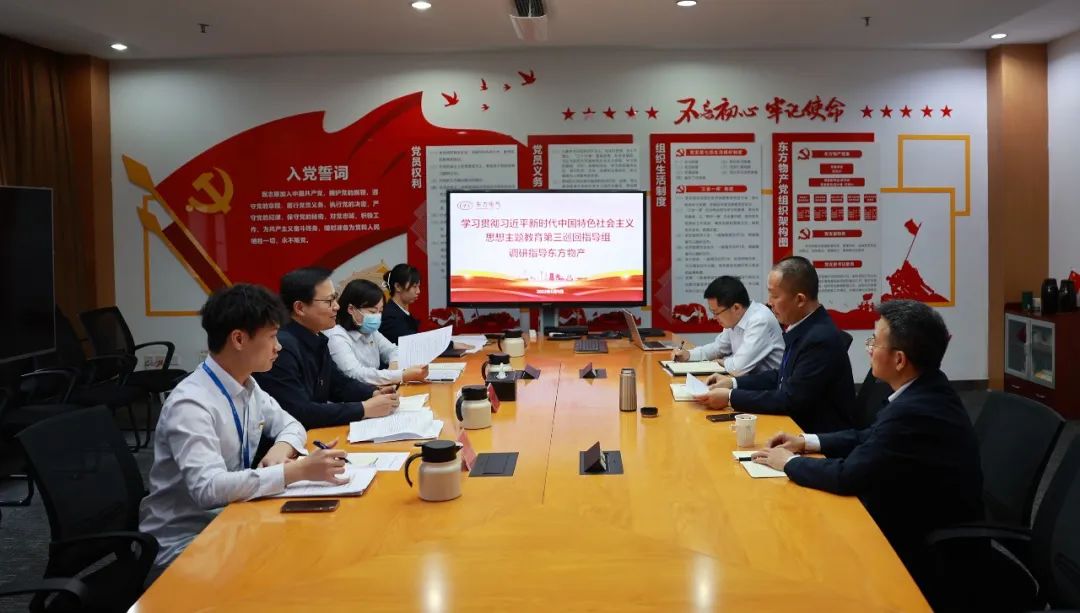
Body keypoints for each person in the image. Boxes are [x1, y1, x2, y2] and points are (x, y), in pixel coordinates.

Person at [751, 299, 982, 596]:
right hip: (911, 510)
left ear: (899, 360)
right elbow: (870, 436)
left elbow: (849, 475)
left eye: (874, 342)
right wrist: (806, 442)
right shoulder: (927, 388)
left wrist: (788, 463)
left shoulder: (915, 410)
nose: (869, 349)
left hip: (926, 549)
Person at [139, 284, 350, 576]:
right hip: (186, 542)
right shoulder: (191, 403)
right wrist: (295, 471)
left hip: (232, 517)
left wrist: (282, 448)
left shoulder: (247, 385)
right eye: (272, 336)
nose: (278, 347)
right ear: (238, 339)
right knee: (299, 568)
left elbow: (292, 424)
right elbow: (208, 489)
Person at [693, 256, 854, 433]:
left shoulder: (819, 338)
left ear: (800, 300)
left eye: (775, 296)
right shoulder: (803, 325)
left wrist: (731, 397)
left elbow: (789, 400)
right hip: (794, 424)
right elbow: (780, 376)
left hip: (814, 434)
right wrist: (733, 383)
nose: (769, 302)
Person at [255, 267, 398, 429]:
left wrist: (373, 393)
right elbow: (300, 412)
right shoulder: (282, 348)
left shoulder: (317, 337)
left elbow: (338, 383)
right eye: (329, 301)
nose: (337, 306)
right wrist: (363, 409)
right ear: (300, 308)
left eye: (335, 298)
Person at [672, 275, 784, 376]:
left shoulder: (760, 320)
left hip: (770, 387)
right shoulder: (735, 319)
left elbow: (738, 368)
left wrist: (724, 361)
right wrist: (689, 355)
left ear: (736, 308)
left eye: (716, 313)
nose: (714, 318)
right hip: (749, 382)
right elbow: (718, 348)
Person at [326, 278, 428, 385]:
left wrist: (393, 368)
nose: (378, 316)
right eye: (372, 312)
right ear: (351, 309)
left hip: (375, 391)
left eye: (380, 311)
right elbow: (356, 374)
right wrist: (401, 375)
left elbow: (394, 350)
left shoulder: (371, 331)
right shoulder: (336, 336)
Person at [379, 263, 472, 352]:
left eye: (418, 286)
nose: (418, 291)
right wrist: (451, 345)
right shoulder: (390, 317)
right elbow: (415, 343)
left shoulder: (400, 312)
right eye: (414, 286)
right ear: (398, 286)